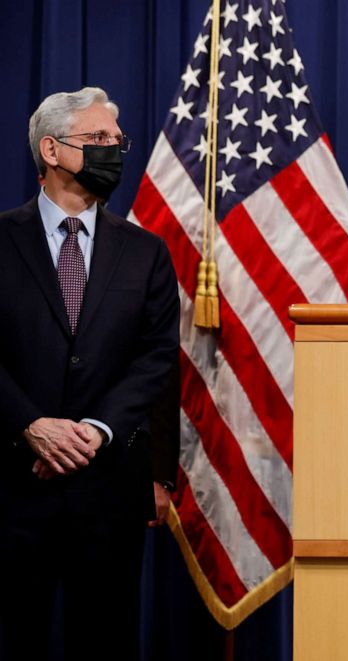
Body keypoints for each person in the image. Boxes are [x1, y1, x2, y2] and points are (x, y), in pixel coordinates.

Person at [0, 87, 180, 660]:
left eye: (117, 141)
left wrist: (93, 431)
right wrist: (29, 423)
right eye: (97, 140)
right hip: (11, 485)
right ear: (50, 150)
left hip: (107, 490)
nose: (114, 151)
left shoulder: (146, 252)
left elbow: (156, 358)